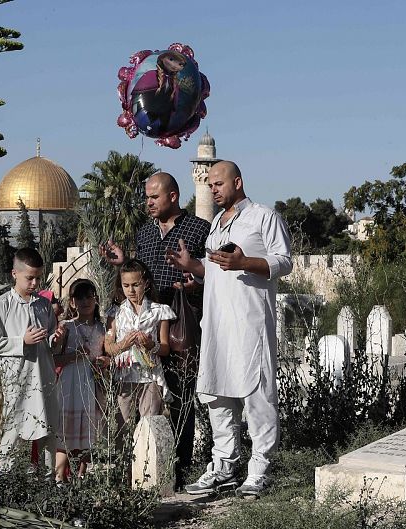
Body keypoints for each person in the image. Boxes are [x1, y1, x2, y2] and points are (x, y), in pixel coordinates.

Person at [166, 160, 292, 497]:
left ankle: (260, 469)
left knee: (257, 398)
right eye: (209, 184)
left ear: (237, 182)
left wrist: (244, 262)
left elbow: (284, 262)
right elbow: (215, 269)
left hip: (249, 325)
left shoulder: (263, 217)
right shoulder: (217, 225)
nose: (213, 189)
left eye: (219, 183)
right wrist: (194, 265)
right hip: (217, 324)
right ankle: (224, 465)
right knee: (216, 396)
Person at [100, 172, 209, 488]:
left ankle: (179, 470)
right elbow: (139, 276)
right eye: (146, 197)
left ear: (173, 196)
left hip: (179, 328)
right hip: (145, 331)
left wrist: (195, 283)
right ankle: (140, 470)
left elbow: (213, 278)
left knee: (179, 396)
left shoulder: (199, 229)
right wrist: (123, 262)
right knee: (140, 402)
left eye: (154, 197)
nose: (148, 202)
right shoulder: (145, 233)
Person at [0, 248, 67, 475]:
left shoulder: (43, 305)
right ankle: (5, 479)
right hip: (18, 379)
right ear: (15, 273)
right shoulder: (1, 305)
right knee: (13, 428)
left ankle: (47, 480)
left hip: (44, 377)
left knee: (48, 428)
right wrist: (22, 341)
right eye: (29, 278)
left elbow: (51, 340)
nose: (34, 283)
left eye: (38, 278)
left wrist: (56, 338)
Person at [104, 259, 175, 431]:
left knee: (150, 427)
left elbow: (165, 348)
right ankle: (124, 459)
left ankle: (149, 459)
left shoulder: (159, 310)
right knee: (122, 428)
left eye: (135, 284)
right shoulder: (116, 312)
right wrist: (123, 344)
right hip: (124, 375)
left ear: (146, 283)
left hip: (150, 376)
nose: (131, 290)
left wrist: (151, 344)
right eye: (126, 285)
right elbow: (108, 347)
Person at [53, 279, 105, 480]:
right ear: (72, 302)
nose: (85, 301)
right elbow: (54, 357)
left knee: (88, 430)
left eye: (89, 296)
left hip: (91, 383)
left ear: (96, 299)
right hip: (69, 384)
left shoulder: (102, 328)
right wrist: (74, 356)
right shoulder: (66, 327)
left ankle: (81, 476)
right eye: (79, 297)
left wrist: (102, 361)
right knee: (65, 430)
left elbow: (106, 354)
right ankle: (59, 477)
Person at [131, 51, 187, 136]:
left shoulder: (174, 82)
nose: (176, 65)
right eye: (171, 60)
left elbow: (174, 103)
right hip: (147, 115)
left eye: (181, 64)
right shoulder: (151, 75)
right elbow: (137, 96)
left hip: (164, 119)